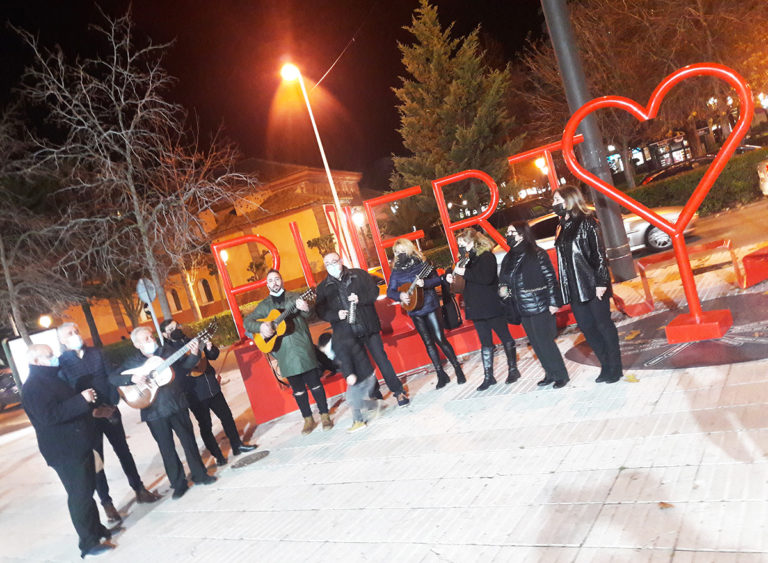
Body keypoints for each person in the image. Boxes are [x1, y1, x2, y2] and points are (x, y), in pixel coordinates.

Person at [57, 323, 160, 522]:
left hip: (110, 412)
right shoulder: (62, 364)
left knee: (124, 451)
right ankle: (107, 503)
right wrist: (90, 411)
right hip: (88, 418)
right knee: (97, 462)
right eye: (70, 334)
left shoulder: (96, 353)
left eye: (77, 331)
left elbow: (111, 375)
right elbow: (67, 392)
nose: (75, 335)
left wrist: (118, 395)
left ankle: (139, 489)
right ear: (62, 340)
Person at [23, 344, 116, 559]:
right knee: (79, 495)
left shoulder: (52, 378)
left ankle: (97, 530)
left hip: (78, 445)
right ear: (37, 361)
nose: (54, 358)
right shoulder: (34, 386)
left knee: (87, 490)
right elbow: (49, 416)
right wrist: (81, 400)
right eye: (49, 356)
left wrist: (87, 404)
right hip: (64, 451)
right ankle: (88, 543)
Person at [109, 327, 216, 500]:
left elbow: (184, 368)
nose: (150, 339)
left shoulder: (167, 351)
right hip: (153, 411)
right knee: (166, 449)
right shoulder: (133, 362)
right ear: (137, 344)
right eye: (145, 338)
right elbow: (113, 378)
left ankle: (200, 475)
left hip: (176, 403)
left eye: (150, 336)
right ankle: (178, 484)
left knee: (189, 442)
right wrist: (132, 379)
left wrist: (195, 354)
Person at [244, 269, 334, 435]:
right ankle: (307, 418)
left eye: (277, 279)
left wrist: (306, 307)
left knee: (315, 384)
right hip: (282, 351)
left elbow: (311, 315)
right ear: (267, 284)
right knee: (298, 389)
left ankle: (325, 414)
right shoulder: (264, 306)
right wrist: (261, 327)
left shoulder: (294, 297)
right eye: (271, 280)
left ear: (282, 280)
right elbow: (247, 322)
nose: (274, 283)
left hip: (302, 347)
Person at [315, 252, 409, 406]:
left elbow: (375, 292)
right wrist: (336, 314)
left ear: (341, 260)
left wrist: (360, 299)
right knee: (362, 366)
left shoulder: (359, 275)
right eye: (327, 263)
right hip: (347, 333)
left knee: (382, 359)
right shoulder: (323, 287)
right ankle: (375, 395)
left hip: (368, 326)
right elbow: (320, 311)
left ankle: (398, 392)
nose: (332, 265)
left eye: (334, 261)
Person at [159, 319, 256, 466]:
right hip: (193, 393)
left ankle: (237, 445)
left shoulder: (192, 340)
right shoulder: (167, 352)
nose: (177, 329)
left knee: (227, 416)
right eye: (171, 329)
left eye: (177, 325)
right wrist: (194, 353)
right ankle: (218, 455)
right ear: (165, 334)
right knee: (205, 425)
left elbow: (212, 356)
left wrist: (210, 348)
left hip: (211, 385)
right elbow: (184, 368)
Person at [552, 185, 623, 384]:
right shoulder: (560, 226)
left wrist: (601, 281)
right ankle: (605, 364)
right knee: (587, 328)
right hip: (574, 287)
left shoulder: (587, 222)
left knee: (603, 325)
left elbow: (599, 254)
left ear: (570, 200)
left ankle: (615, 368)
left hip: (592, 284)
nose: (554, 204)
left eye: (557, 200)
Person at [446, 229, 521, 391]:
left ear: (473, 241)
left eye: (462, 244)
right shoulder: (467, 259)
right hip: (475, 307)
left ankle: (513, 369)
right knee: (485, 342)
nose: (460, 247)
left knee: (504, 336)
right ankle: (489, 376)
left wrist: (464, 272)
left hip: (490, 305)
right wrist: (451, 276)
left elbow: (486, 278)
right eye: (459, 245)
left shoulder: (486, 256)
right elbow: (459, 277)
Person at [386, 238, 465, 389]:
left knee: (440, 338)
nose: (399, 254)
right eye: (396, 252)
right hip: (414, 310)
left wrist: (425, 284)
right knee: (428, 343)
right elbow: (390, 290)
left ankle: (457, 369)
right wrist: (400, 296)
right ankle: (441, 374)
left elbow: (437, 280)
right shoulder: (396, 271)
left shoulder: (422, 265)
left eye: (402, 251)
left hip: (429, 306)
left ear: (409, 249)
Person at [498, 222, 570, 389]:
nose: (508, 235)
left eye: (511, 232)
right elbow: (505, 281)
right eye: (507, 231)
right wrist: (504, 293)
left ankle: (561, 374)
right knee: (535, 343)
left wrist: (553, 303)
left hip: (539, 305)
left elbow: (550, 279)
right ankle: (549, 373)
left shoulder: (537, 254)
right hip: (521, 307)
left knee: (545, 342)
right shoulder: (509, 257)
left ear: (522, 234)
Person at [318, 332, 382, 432]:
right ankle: (374, 405)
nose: (326, 354)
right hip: (363, 374)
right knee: (352, 399)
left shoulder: (338, 347)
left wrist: (349, 374)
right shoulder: (338, 344)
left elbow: (345, 360)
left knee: (352, 399)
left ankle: (359, 421)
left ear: (326, 345)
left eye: (325, 351)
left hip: (361, 376)